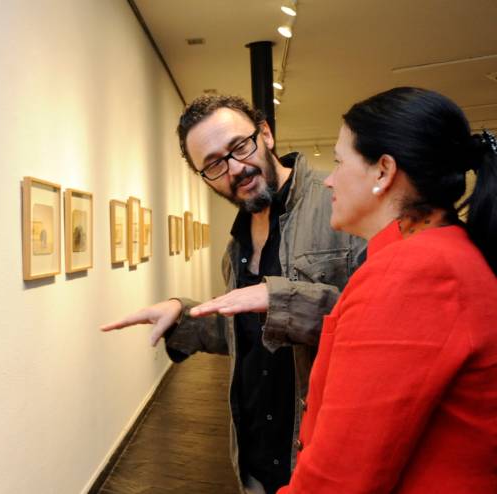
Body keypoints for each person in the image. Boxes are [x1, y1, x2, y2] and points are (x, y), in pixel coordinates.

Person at [100, 95, 365, 494]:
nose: (235, 168)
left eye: (240, 146)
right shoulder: (236, 245)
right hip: (255, 459)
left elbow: (378, 324)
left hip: (324, 459)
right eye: (214, 164)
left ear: (266, 134)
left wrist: (281, 300)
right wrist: (182, 314)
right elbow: (247, 334)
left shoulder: (340, 204)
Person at [270, 87, 497, 493]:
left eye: (339, 162)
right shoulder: (438, 253)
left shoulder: (415, 272)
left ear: (383, 171)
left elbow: (339, 478)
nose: (329, 181)